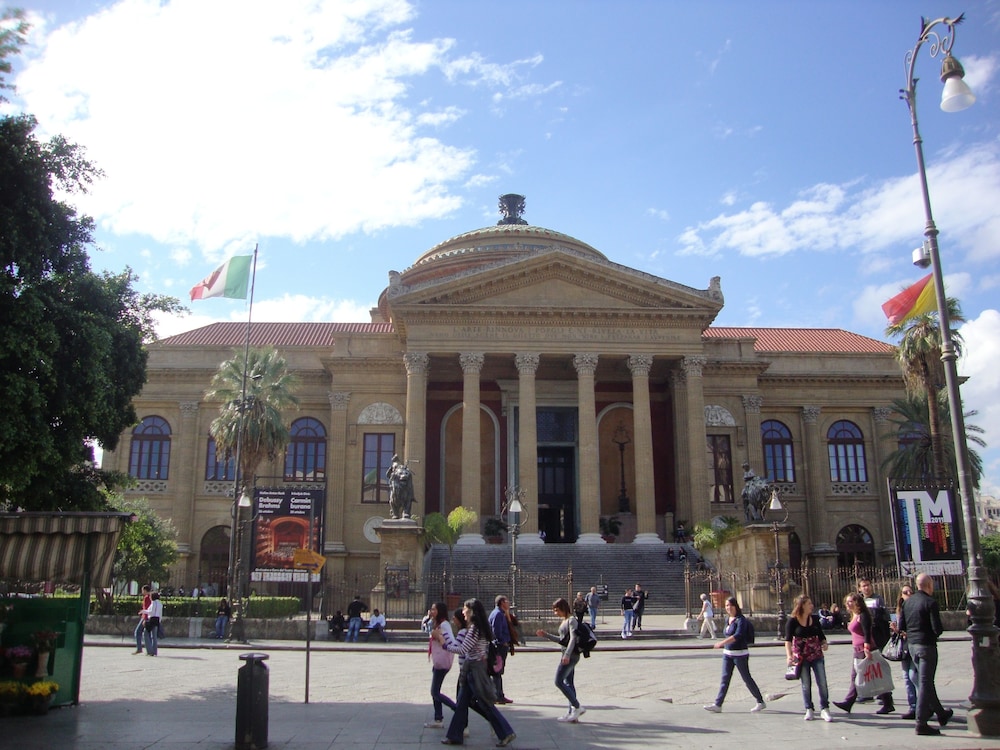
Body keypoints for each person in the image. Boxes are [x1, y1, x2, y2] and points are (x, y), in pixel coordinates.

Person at [436, 598, 516, 747]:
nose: (463, 612)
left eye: (465, 609)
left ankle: (506, 732)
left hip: (475, 670)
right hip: (472, 669)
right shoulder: (480, 628)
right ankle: (454, 735)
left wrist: (444, 644)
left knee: (485, 703)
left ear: (472, 611)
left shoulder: (475, 629)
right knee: (461, 704)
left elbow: (462, 649)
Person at [900, 573, 953, 736]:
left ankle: (941, 714)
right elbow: (937, 629)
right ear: (929, 585)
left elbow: (902, 626)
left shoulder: (907, 602)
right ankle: (921, 723)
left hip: (912, 647)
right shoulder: (930, 602)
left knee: (926, 682)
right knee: (925, 683)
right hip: (926, 647)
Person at [703, 596, 766, 713]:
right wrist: (724, 644)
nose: (729, 608)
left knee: (746, 678)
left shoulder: (741, 620)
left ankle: (760, 701)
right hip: (728, 654)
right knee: (724, 679)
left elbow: (738, 635)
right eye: (727, 605)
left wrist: (722, 643)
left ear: (736, 606)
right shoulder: (728, 619)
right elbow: (727, 633)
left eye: (731, 605)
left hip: (740, 654)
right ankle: (718, 704)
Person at [535, 597, 587, 722]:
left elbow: (573, 638)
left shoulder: (572, 620)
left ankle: (577, 707)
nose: (555, 613)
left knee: (558, 681)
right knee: (569, 683)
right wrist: (546, 635)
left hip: (571, 655)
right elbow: (562, 640)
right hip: (567, 654)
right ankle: (572, 713)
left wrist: (567, 655)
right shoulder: (565, 620)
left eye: (557, 610)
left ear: (563, 608)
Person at [785, 594, 832, 722]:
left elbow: (821, 636)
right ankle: (809, 708)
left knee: (822, 682)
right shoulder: (792, 621)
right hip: (801, 656)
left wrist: (824, 643)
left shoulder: (815, 619)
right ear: (802, 606)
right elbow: (788, 640)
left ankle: (825, 708)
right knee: (806, 683)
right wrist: (789, 656)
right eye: (809, 604)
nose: (812, 606)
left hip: (816, 654)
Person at [833, 592, 881, 714]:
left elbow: (867, 632)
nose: (848, 604)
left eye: (850, 601)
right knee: (873, 675)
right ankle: (887, 700)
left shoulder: (863, 615)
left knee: (860, 675)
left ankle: (848, 702)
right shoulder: (854, 614)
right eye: (847, 602)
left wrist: (867, 648)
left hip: (864, 649)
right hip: (857, 649)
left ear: (857, 602)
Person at [857, 578, 894, 713]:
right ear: (860, 588)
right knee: (867, 667)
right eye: (864, 586)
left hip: (878, 636)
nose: (866, 588)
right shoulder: (859, 600)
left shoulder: (877, 599)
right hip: (866, 637)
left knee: (878, 667)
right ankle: (870, 693)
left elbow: (885, 616)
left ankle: (884, 695)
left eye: (868, 585)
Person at [423, 602, 458, 729]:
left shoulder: (444, 625)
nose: (431, 611)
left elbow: (452, 642)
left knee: (434, 692)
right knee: (435, 691)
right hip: (438, 661)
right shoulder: (437, 623)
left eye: (434, 609)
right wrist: (428, 619)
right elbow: (425, 629)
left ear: (440, 611)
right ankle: (438, 718)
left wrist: (440, 638)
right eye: (431, 609)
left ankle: (457, 709)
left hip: (442, 662)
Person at [894, 584, 918, 720]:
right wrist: (896, 630)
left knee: (913, 675)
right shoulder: (899, 611)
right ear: (901, 596)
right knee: (906, 677)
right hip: (904, 647)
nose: (908, 594)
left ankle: (923, 704)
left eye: (910, 592)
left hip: (914, 645)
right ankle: (913, 706)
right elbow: (900, 629)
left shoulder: (917, 607)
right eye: (905, 592)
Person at [488, 595, 514, 703]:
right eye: (507, 601)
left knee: (498, 670)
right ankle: (497, 695)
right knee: (497, 671)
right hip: (499, 646)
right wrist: (503, 642)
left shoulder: (499, 613)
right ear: (502, 602)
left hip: (499, 645)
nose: (508, 603)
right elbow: (496, 630)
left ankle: (499, 694)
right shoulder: (498, 614)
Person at [141, 590, 163, 657]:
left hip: (152, 619)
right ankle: (154, 651)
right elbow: (160, 614)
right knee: (154, 636)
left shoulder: (153, 603)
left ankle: (149, 651)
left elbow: (151, 612)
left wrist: (144, 611)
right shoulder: (160, 604)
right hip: (157, 619)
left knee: (145, 633)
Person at [133, 584, 151, 654]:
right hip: (148, 617)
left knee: (137, 632)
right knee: (147, 634)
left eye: (143, 590)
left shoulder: (146, 598)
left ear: (145, 590)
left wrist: (144, 618)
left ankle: (139, 648)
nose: (142, 592)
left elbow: (146, 608)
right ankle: (149, 649)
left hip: (145, 617)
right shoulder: (151, 597)